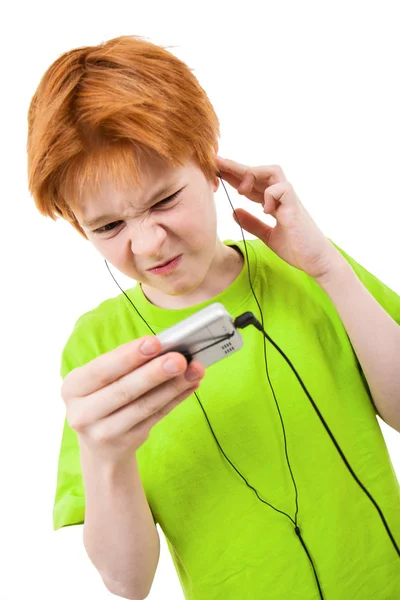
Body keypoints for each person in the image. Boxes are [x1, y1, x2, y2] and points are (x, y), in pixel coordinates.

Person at [27, 35, 400, 600]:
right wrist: (105, 456)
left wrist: (326, 270)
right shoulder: (97, 347)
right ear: (82, 229)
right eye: (108, 227)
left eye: (163, 200)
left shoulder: (307, 266)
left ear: (211, 168)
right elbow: (127, 583)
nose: (149, 243)